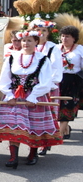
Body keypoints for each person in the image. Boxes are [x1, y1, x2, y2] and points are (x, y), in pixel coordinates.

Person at [0, 30, 61, 167]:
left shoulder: (42, 59)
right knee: (13, 124)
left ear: (36, 42)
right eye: (23, 40)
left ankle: (32, 153)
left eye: (29, 40)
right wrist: (9, 95)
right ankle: (13, 157)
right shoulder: (11, 58)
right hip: (15, 97)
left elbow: (45, 82)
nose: (25, 43)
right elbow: (4, 79)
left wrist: (33, 96)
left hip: (34, 96)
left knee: (34, 125)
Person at [30, 18, 64, 155]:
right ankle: (33, 141)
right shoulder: (31, 46)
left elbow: (56, 69)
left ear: (48, 33)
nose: (41, 33)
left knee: (47, 116)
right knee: (33, 116)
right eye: (38, 30)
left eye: (43, 30)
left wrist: (49, 85)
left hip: (48, 87)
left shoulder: (53, 48)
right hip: (32, 87)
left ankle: (45, 143)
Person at [58, 25, 83, 139]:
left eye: (67, 36)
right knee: (57, 106)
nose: (64, 39)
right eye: (63, 36)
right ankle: (66, 129)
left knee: (68, 106)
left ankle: (58, 135)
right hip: (57, 80)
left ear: (74, 38)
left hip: (73, 81)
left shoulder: (79, 49)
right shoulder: (56, 48)